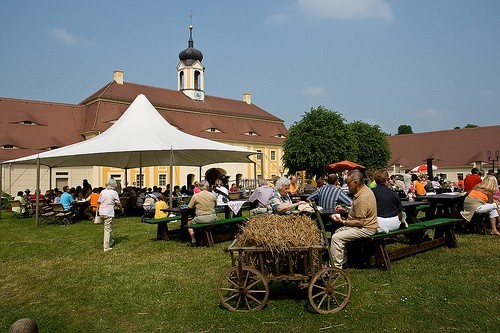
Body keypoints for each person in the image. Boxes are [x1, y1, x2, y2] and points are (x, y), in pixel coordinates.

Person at [329, 170, 378, 269]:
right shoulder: (365, 191)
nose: (347, 186)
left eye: (348, 183)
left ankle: (336, 268)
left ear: (355, 183)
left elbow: (360, 222)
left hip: (366, 228)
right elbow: (359, 211)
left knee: (336, 238)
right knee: (338, 232)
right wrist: (345, 210)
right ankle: (343, 261)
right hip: (366, 225)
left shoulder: (362, 198)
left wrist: (342, 221)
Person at [187, 180, 217, 246]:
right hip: (212, 217)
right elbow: (215, 206)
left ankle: (193, 239)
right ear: (207, 187)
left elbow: (189, 207)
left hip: (200, 218)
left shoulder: (195, 196)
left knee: (189, 224)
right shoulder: (212, 195)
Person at [98, 178, 122, 252]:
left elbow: (99, 201)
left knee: (107, 228)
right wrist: (121, 209)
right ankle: (106, 247)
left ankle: (110, 241)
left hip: (101, 212)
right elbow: (118, 203)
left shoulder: (102, 191)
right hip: (108, 212)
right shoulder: (113, 192)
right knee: (107, 230)